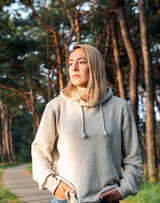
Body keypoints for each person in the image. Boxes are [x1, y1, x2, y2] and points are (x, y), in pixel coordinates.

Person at [31, 44, 143, 203]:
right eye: (70, 63)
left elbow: (133, 159)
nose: (74, 68)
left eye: (82, 62)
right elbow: (39, 152)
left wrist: (124, 189)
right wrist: (52, 184)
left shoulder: (119, 108)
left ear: (95, 66)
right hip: (66, 200)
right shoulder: (56, 107)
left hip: (106, 200)